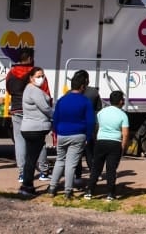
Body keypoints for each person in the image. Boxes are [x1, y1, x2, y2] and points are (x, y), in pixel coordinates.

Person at [49, 69, 96, 200]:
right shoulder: (85, 101)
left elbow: (55, 118)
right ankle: (68, 191)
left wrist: (56, 132)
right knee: (71, 164)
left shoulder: (62, 100)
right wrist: (88, 136)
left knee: (60, 160)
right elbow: (90, 121)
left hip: (62, 133)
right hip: (78, 134)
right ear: (82, 86)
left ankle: (52, 187)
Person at [16, 66, 53, 197]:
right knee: (32, 159)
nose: (41, 78)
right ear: (31, 78)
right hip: (36, 128)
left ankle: (26, 185)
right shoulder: (34, 91)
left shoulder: (29, 89)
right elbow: (45, 108)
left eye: (42, 76)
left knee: (30, 158)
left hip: (29, 127)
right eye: (38, 76)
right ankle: (27, 186)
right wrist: (56, 115)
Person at [92, 90, 130, 201]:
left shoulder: (101, 112)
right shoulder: (123, 115)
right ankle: (110, 193)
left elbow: (97, 127)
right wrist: (123, 147)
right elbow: (125, 134)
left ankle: (89, 191)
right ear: (121, 101)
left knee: (96, 168)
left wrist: (97, 139)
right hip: (115, 142)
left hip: (101, 141)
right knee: (111, 170)